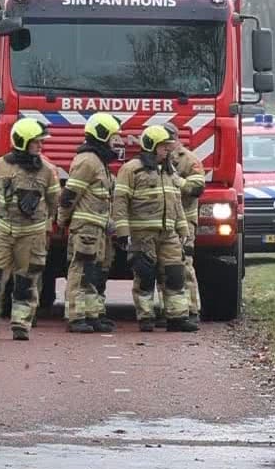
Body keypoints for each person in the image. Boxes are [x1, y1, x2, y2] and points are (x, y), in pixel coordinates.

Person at [0, 118, 60, 341]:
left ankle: (21, 323)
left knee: (26, 280)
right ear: (23, 142)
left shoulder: (48, 170)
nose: (41, 146)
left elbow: (54, 201)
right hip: (3, 231)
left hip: (32, 234)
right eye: (36, 142)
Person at [113, 125, 196, 333]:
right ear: (151, 146)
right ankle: (146, 317)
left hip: (168, 234)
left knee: (175, 275)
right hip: (143, 235)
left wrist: (183, 228)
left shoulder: (169, 171)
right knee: (145, 276)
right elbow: (120, 201)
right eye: (163, 147)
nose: (167, 151)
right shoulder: (131, 169)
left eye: (168, 147)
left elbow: (176, 201)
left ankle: (177, 317)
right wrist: (123, 232)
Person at [59, 112, 122, 334]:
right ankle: (75, 316)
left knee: (96, 272)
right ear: (102, 135)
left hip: (99, 229)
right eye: (113, 138)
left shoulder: (100, 162)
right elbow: (69, 195)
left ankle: (93, 314)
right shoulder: (87, 161)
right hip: (86, 228)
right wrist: (62, 220)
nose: (117, 143)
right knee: (81, 271)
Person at [166, 135, 207, 327]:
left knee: (185, 265)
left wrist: (178, 181)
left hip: (185, 220)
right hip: (165, 220)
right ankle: (171, 311)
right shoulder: (158, 160)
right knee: (166, 267)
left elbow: (197, 188)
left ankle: (191, 309)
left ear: (174, 140)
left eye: (167, 142)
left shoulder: (189, 160)